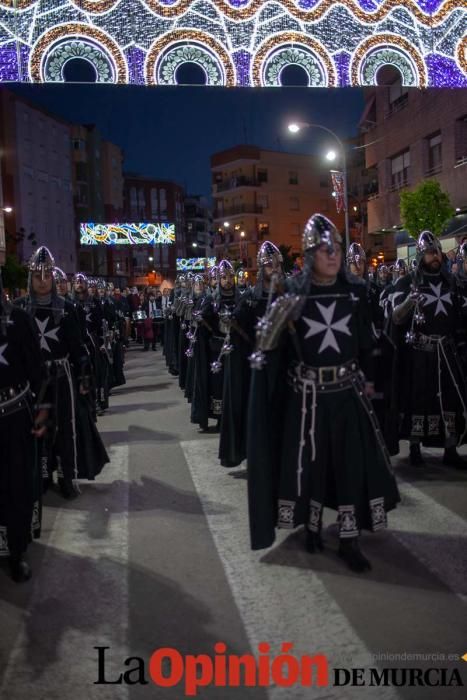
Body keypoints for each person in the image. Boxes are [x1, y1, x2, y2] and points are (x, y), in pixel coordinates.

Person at [247, 214, 400, 572]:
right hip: (307, 397)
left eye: (337, 249)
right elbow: (268, 352)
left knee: (350, 466)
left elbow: (368, 345)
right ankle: (312, 527)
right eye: (324, 249)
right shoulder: (293, 294)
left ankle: (350, 539)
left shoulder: (357, 292)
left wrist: (375, 385)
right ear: (310, 252)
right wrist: (270, 334)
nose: (333, 255)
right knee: (311, 466)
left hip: (347, 392)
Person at [15, 247, 91, 499]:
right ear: (31, 278)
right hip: (32, 382)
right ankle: (44, 475)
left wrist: (83, 374)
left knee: (66, 428)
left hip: (60, 376)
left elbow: (78, 347)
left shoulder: (66, 309)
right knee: (38, 428)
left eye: (48, 275)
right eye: (38, 276)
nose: (44, 280)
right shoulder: (21, 310)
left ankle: (67, 476)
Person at [391, 231, 467, 468]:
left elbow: (459, 317)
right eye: (430, 253)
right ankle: (414, 448)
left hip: (446, 350)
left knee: (451, 400)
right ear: (422, 255)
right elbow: (395, 317)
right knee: (418, 399)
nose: (435, 257)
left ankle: (450, 449)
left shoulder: (450, 282)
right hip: (420, 352)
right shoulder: (407, 282)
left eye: (437, 252)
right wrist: (409, 302)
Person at [0, 269, 49, 581]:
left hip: (13, 415)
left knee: (15, 487)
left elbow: (37, 371)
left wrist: (42, 412)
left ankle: (16, 552)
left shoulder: (18, 320)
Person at [219, 242, 284, 468]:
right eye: (269, 265)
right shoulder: (249, 299)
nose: (273, 269)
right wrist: (231, 322)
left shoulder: (289, 295)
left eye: (277, 265)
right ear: (261, 268)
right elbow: (234, 327)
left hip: (285, 365)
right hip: (258, 367)